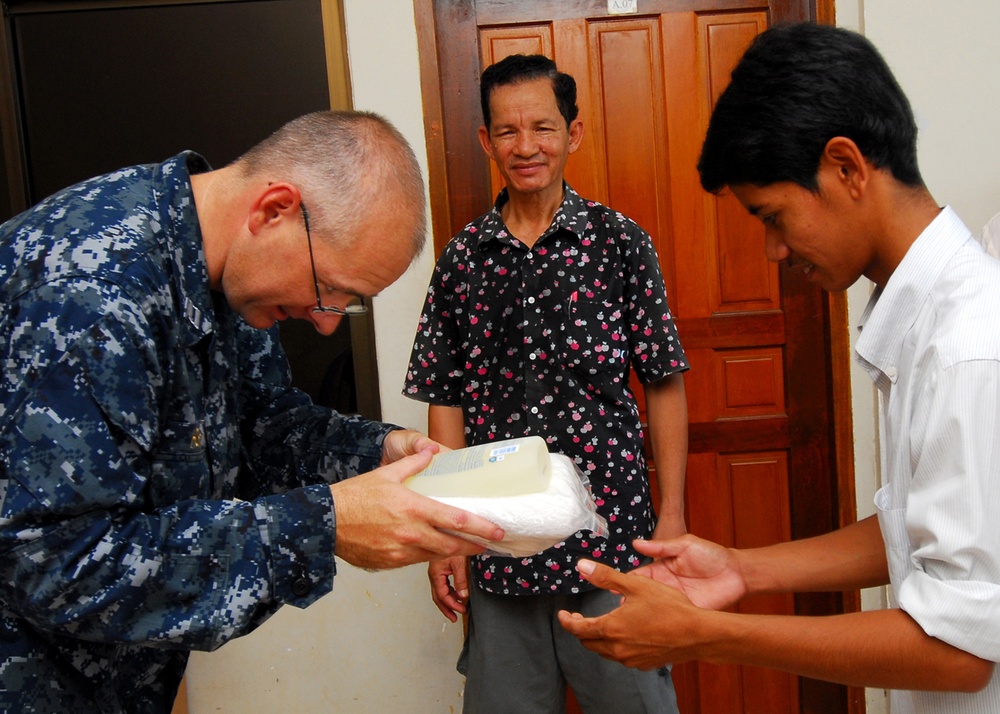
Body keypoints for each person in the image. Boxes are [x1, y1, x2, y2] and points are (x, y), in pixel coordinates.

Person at [558, 22, 1000, 713]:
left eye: (774, 216)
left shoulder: (968, 348)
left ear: (847, 167)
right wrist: (742, 569)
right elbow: (910, 529)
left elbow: (960, 648)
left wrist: (707, 634)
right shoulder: (929, 320)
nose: (771, 251)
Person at [0, 110, 505, 712]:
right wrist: (325, 525)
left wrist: (378, 451)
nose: (323, 323)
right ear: (274, 211)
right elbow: (57, 562)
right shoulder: (90, 291)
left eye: (348, 305)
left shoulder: (229, 280)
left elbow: (264, 427)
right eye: (327, 290)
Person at [403, 54, 689, 712]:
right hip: (501, 547)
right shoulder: (462, 260)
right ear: (485, 141)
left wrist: (670, 519)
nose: (525, 146)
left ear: (573, 133)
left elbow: (665, 381)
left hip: (613, 540)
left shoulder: (620, 244)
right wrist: (447, 536)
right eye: (507, 131)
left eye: (543, 127)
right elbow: (444, 397)